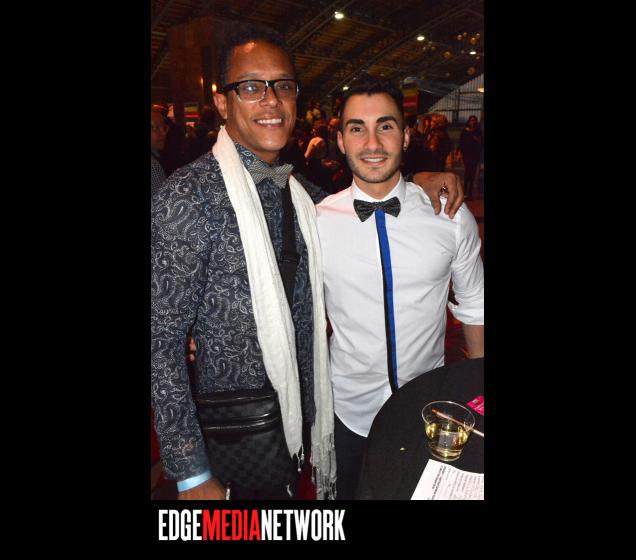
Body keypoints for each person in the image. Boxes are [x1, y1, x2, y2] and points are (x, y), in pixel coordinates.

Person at [151, 26, 465, 501]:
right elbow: (161, 342)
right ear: (222, 103)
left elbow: (364, 195)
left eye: (283, 85)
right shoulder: (187, 197)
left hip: (297, 425)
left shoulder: (298, 191)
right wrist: (190, 472)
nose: (271, 100)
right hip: (229, 438)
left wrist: (416, 180)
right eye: (251, 87)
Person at [316, 77, 484, 500]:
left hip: (429, 409)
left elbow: (475, 304)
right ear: (341, 139)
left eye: (386, 126)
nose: (372, 142)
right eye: (357, 128)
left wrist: (478, 393)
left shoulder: (450, 216)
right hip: (345, 411)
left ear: (406, 135)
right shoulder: (315, 222)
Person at [456, 115, 483, 199]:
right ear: (468, 121)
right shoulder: (465, 131)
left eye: (474, 120)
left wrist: (476, 138)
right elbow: (461, 142)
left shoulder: (478, 131)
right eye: (471, 120)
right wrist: (458, 152)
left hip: (474, 155)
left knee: (472, 173)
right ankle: (465, 191)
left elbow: (481, 142)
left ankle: (470, 192)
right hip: (466, 154)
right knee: (467, 172)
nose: (472, 122)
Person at [151, 108, 167, 195]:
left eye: (164, 128)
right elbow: (162, 199)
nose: (163, 133)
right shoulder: (153, 165)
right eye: (154, 128)